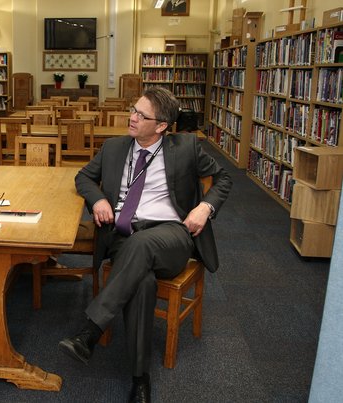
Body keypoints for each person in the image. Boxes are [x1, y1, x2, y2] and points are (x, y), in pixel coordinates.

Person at [58, 87, 232, 402]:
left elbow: (223, 179)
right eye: (133, 109)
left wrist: (204, 208)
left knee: (143, 246)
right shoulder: (113, 148)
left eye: (142, 115)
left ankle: (91, 330)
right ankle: (140, 379)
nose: (132, 117)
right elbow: (83, 177)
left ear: (162, 126)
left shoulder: (187, 147)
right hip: (123, 235)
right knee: (142, 282)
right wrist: (97, 199)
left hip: (171, 235)